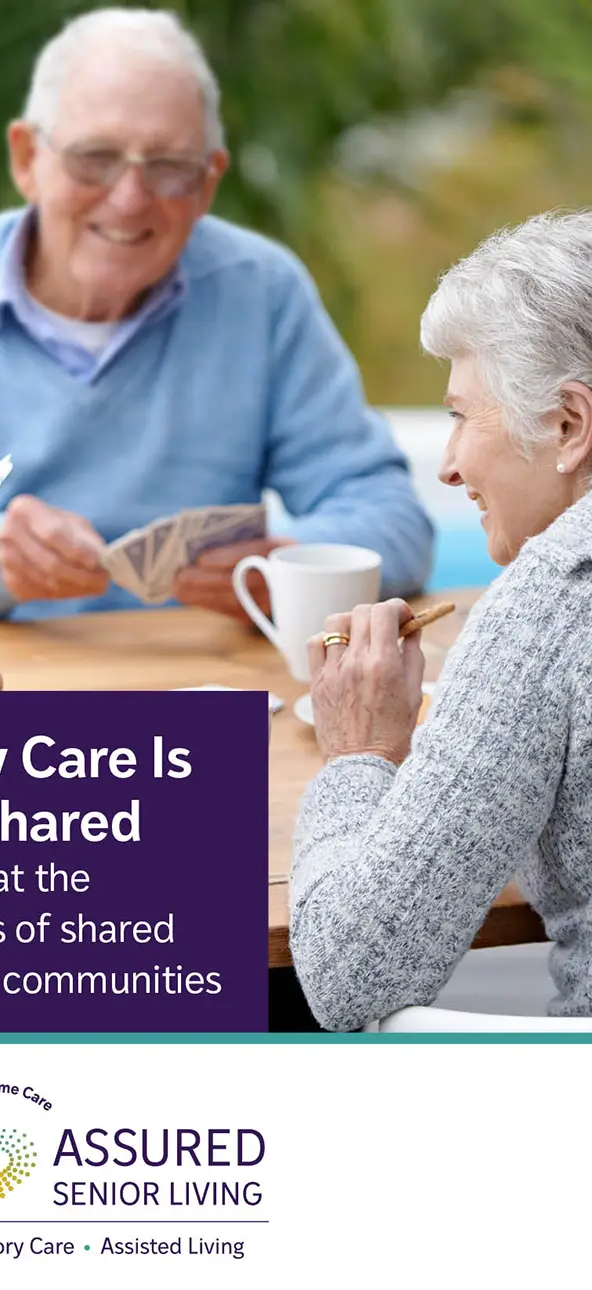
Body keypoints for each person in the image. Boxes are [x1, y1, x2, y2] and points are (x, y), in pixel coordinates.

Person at [0, 7, 433, 622]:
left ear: (209, 182)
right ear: (27, 159)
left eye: (169, 167)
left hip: (205, 697)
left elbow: (396, 522)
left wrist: (293, 569)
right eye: (94, 158)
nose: (129, 200)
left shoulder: (263, 292)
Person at [290, 210, 592, 1030]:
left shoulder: (555, 598)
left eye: (462, 415)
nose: (450, 462)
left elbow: (350, 974)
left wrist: (357, 754)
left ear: (569, 426)